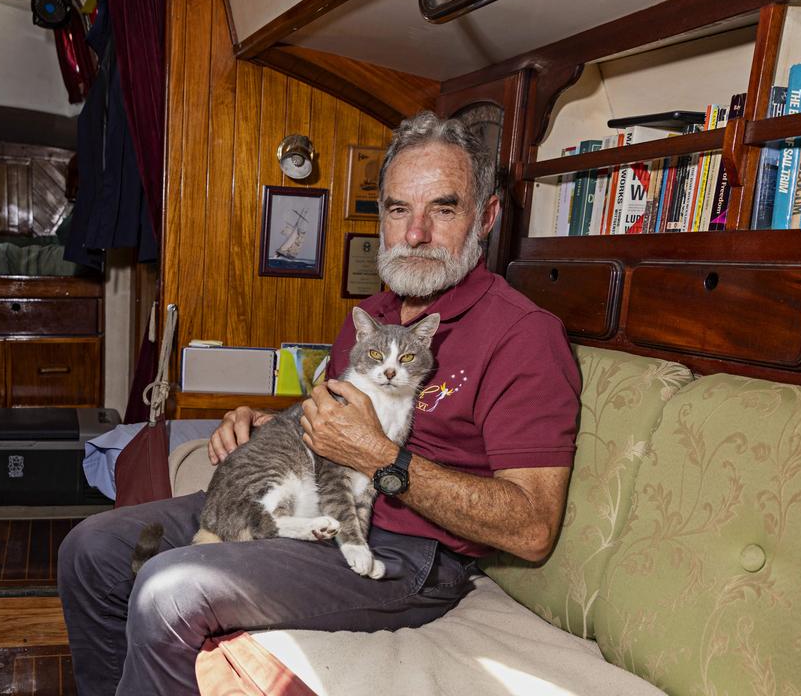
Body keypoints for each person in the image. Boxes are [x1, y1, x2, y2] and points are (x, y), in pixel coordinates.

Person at [58, 110, 581, 695]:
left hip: (410, 555)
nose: (415, 233)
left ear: (486, 217)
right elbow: (330, 424)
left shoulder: (524, 335)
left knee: (169, 590)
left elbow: (533, 526)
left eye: (444, 208)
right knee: (90, 550)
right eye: (398, 208)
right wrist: (265, 425)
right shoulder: (374, 316)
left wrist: (383, 460)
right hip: (315, 505)